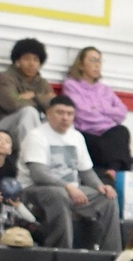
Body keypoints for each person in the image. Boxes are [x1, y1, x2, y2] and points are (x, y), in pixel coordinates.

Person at [17, 95, 120, 251]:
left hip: (70, 191)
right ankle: (62, 251)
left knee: (108, 198)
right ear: (48, 113)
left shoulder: (76, 137)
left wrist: (100, 187)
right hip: (34, 190)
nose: (65, 118)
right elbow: (38, 174)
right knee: (59, 194)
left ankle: (112, 254)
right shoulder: (36, 136)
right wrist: (68, 187)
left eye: (69, 114)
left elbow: (86, 171)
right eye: (60, 112)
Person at [61, 47, 133, 173]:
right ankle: (112, 169)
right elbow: (82, 113)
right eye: (92, 60)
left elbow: (122, 113)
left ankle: (113, 170)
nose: (97, 65)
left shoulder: (104, 89)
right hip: (85, 132)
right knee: (89, 140)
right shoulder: (71, 85)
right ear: (81, 65)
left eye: (99, 61)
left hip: (106, 133)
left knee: (121, 131)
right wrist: (108, 115)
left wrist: (99, 109)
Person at [0, 38, 54, 147]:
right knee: (29, 112)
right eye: (27, 59)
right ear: (17, 61)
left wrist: (33, 96)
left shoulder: (42, 82)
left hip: (30, 128)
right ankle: (30, 156)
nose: (31, 63)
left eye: (36, 60)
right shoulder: (7, 78)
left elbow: (53, 106)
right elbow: (13, 103)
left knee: (62, 119)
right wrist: (41, 100)